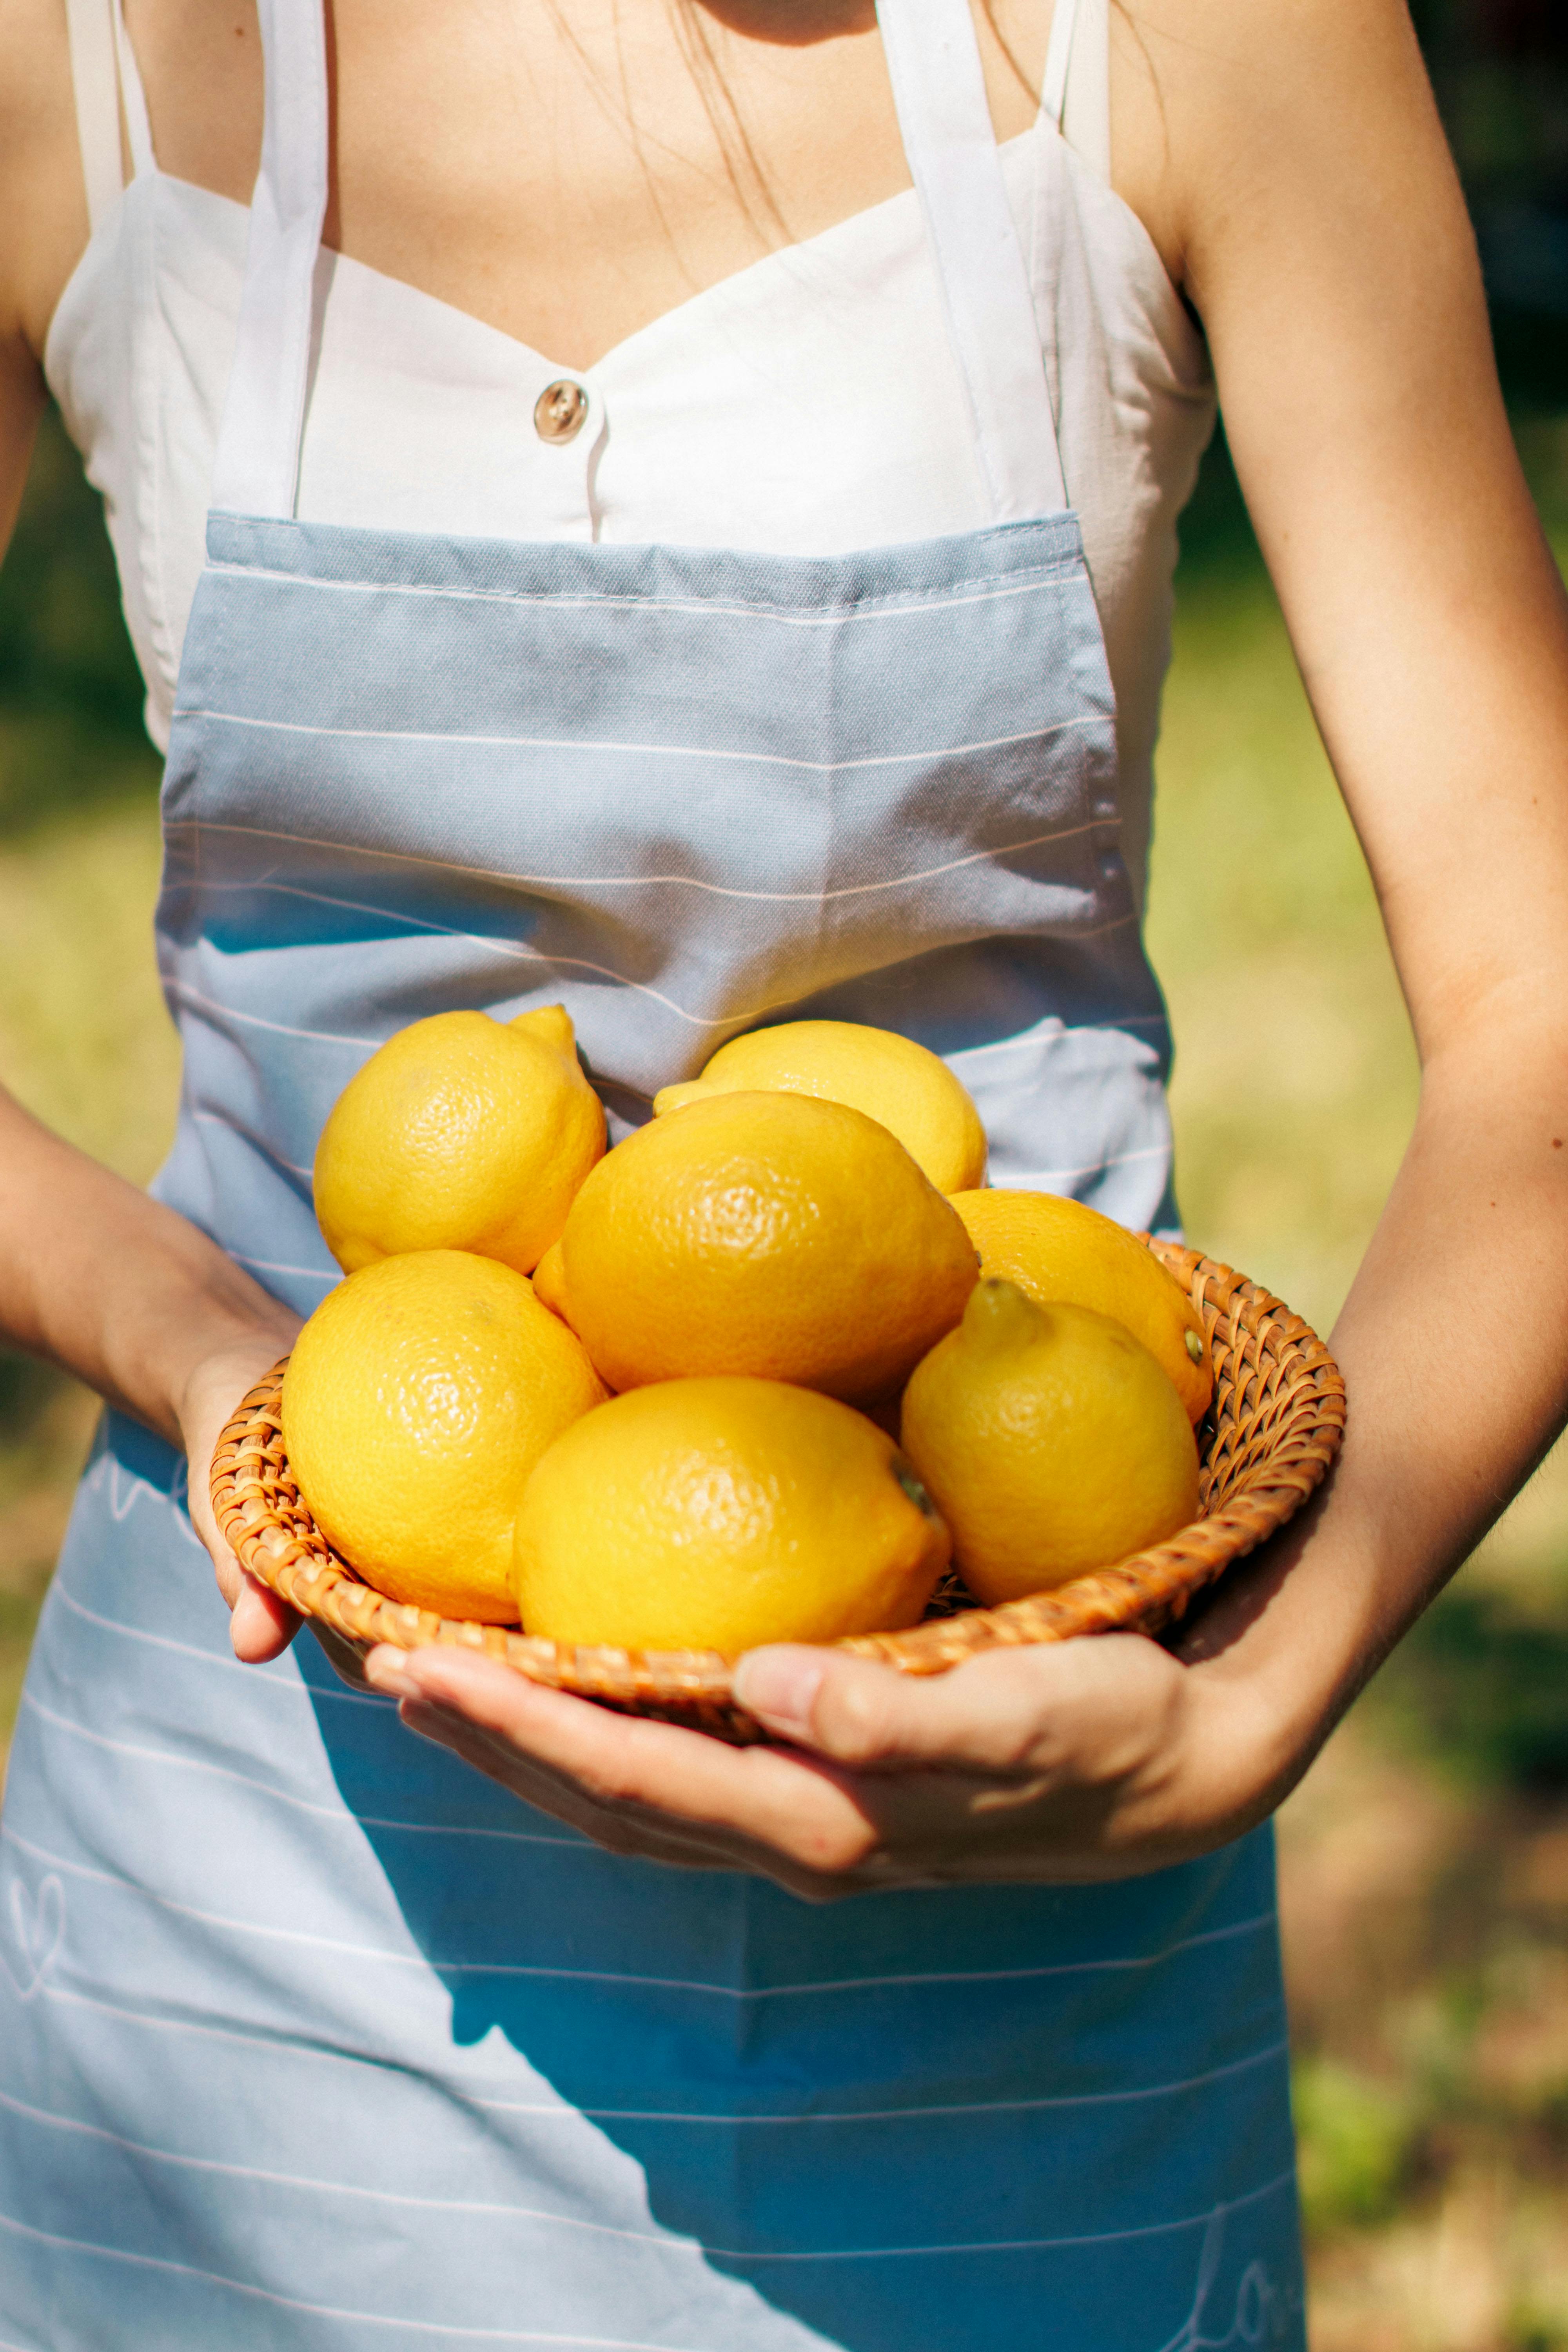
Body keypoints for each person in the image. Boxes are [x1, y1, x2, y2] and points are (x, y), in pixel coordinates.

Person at [2, 0, 1568, 2341]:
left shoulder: (1208, 35)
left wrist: (1262, 1686)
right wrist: (213, 1352)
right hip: (251, 1949)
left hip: (1015, 1914)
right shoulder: (85, 49)